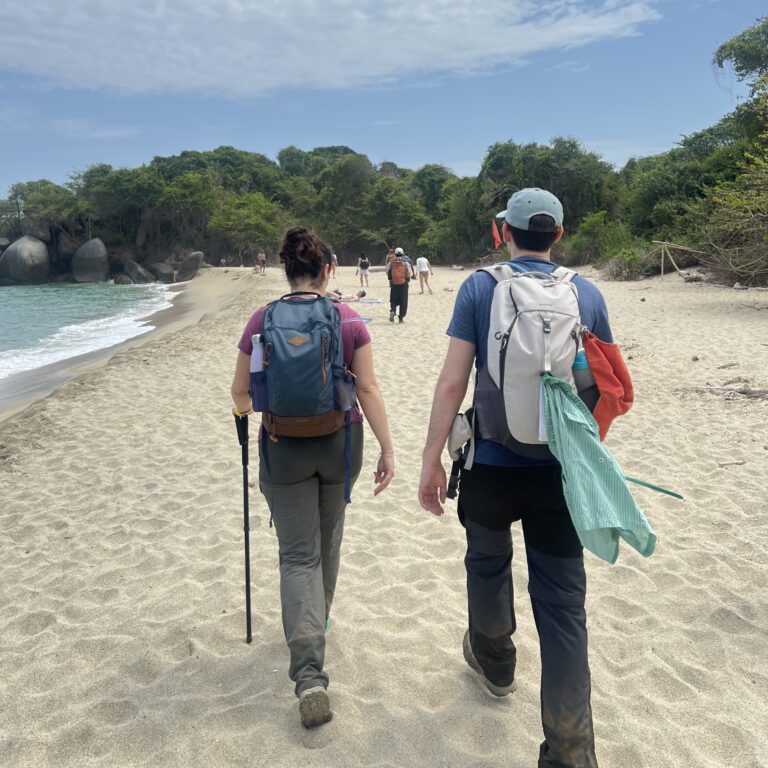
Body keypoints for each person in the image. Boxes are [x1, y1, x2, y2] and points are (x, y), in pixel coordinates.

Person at [418, 189, 613, 768]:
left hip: (490, 465)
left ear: (504, 231)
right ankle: (572, 748)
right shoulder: (588, 293)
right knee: (562, 606)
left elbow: (453, 383)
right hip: (558, 472)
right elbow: (605, 387)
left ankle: (496, 663)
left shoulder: (481, 288)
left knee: (486, 561)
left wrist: (431, 458)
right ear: (557, 233)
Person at [231, 226, 395, 729]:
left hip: (283, 449)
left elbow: (240, 393)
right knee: (328, 543)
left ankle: (309, 675)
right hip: (340, 444)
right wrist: (389, 448)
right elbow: (366, 388)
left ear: (285, 270)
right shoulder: (348, 319)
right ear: (328, 270)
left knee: (297, 554)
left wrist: (252, 414)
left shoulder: (262, 320)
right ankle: (316, 622)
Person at [386, 246, 415, 323]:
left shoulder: (391, 262)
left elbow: (387, 271)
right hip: (403, 284)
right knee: (403, 300)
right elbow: (409, 273)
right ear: (402, 254)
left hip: (394, 283)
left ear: (395, 254)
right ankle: (401, 318)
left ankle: (393, 310)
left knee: (393, 298)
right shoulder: (405, 263)